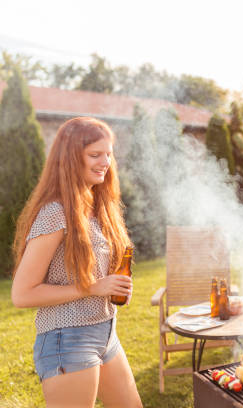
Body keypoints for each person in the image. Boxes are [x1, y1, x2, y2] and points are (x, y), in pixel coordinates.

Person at [11, 117, 142, 408]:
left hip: (106, 332)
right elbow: (22, 294)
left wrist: (112, 286)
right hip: (66, 339)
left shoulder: (97, 205)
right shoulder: (55, 213)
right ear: (70, 159)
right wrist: (93, 287)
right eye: (95, 155)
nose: (105, 162)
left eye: (108, 154)